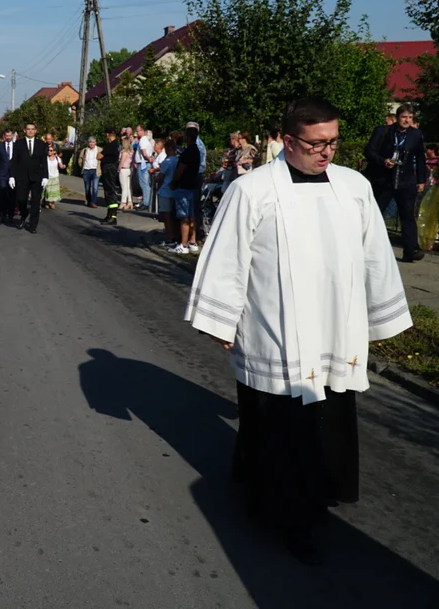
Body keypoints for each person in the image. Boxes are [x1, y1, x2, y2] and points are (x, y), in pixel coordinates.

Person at [186, 97, 412, 565]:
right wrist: (220, 319)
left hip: (335, 327)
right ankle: (282, 514)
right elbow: (229, 256)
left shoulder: (353, 186)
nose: (327, 151)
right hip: (274, 328)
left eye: (333, 141)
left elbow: (374, 254)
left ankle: (318, 496)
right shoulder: (252, 189)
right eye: (316, 143)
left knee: (327, 422)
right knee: (276, 421)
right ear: (288, 141)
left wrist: (381, 316)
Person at [364, 104, 427, 262]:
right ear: (397, 117)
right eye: (404, 117)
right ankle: (368, 247)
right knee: (376, 214)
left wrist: (421, 180)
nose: (407, 120)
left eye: (410, 118)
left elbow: (420, 158)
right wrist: (382, 161)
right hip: (384, 180)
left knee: (408, 216)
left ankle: (411, 249)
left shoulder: (415, 134)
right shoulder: (383, 131)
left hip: (405, 181)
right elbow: (369, 151)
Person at [9, 123, 49, 233]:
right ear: (24, 130)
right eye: (28, 129)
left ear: (36, 131)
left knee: (36, 202)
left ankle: (33, 225)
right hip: (22, 176)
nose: (30, 131)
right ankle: (24, 213)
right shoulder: (18, 143)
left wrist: (45, 176)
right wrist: (12, 176)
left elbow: (44, 161)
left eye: (32, 129)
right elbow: (14, 160)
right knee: (21, 199)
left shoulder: (41, 144)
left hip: (37, 177)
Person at [169, 122, 202, 254]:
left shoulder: (188, 152)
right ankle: (192, 241)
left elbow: (181, 169)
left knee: (183, 217)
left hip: (183, 186)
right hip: (192, 185)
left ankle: (183, 244)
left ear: (188, 137)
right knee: (191, 215)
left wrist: (174, 181)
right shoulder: (197, 151)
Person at [155, 138, 180, 247]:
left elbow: (161, 177)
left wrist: (158, 188)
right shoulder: (178, 160)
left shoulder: (167, 161)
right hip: (175, 191)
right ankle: (175, 236)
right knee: (174, 216)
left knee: (167, 216)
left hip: (165, 190)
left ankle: (170, 238)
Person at [0, 129, 17, 224]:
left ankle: (10, 213)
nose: (8, 137)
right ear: (4, 136)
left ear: (12, 135)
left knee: (12, 194)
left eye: (10, 135)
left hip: (13, 174)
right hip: (2, 174)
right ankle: (2, 213)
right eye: (7, 136)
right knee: (2, 192)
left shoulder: (16, 146)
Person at [98, 129, 121, 225]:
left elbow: (99, 156)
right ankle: (109, 214)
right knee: (108, 192)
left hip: (109, 169)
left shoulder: (111, 145)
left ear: (109, 134)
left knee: (110, 192)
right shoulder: (116, 145)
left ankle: (113, 216)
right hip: (109, 169)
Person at [133, 125, 156, 210]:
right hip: (143, 163)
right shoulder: (145, 140)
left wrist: (147, 158)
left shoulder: (142, 140)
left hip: (143, 163)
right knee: (144, 183)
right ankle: (145, 201)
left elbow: (143, 152)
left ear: (142, 131)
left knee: (144, 183)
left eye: (138, 131)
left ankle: (146, 202)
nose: (137, 133)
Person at [43, 145, 66, 210]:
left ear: (54, 151)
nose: (49, 152)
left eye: (51, 151)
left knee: (54, 191)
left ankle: (53, 203)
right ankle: (47, 202)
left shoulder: (57, 158)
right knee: (47, 190)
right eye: (48, 150)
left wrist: (63, 166)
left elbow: (60, 165)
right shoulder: (46, 158)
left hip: (55, 177)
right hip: (48, 177)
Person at [81, 137, 101, 208]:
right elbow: (80, 159)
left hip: (95, 170)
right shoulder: (85, 150)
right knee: (87, 187)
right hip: (86, 170)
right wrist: (82, 166)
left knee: (95, 187)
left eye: (93, 142)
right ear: (88, 143)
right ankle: (89, 201)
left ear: (95, 143)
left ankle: (93, 202)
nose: (91, 143)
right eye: (90, 142)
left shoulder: (99, 150)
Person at [118, 134, 134, 211]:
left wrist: (118, 168)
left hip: (123, 169)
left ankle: (123, 201)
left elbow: (122, 161)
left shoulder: (124, 152)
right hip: (128, 169)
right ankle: (130, 201)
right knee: (127, 187)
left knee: (123, 187)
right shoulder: (131, 151)